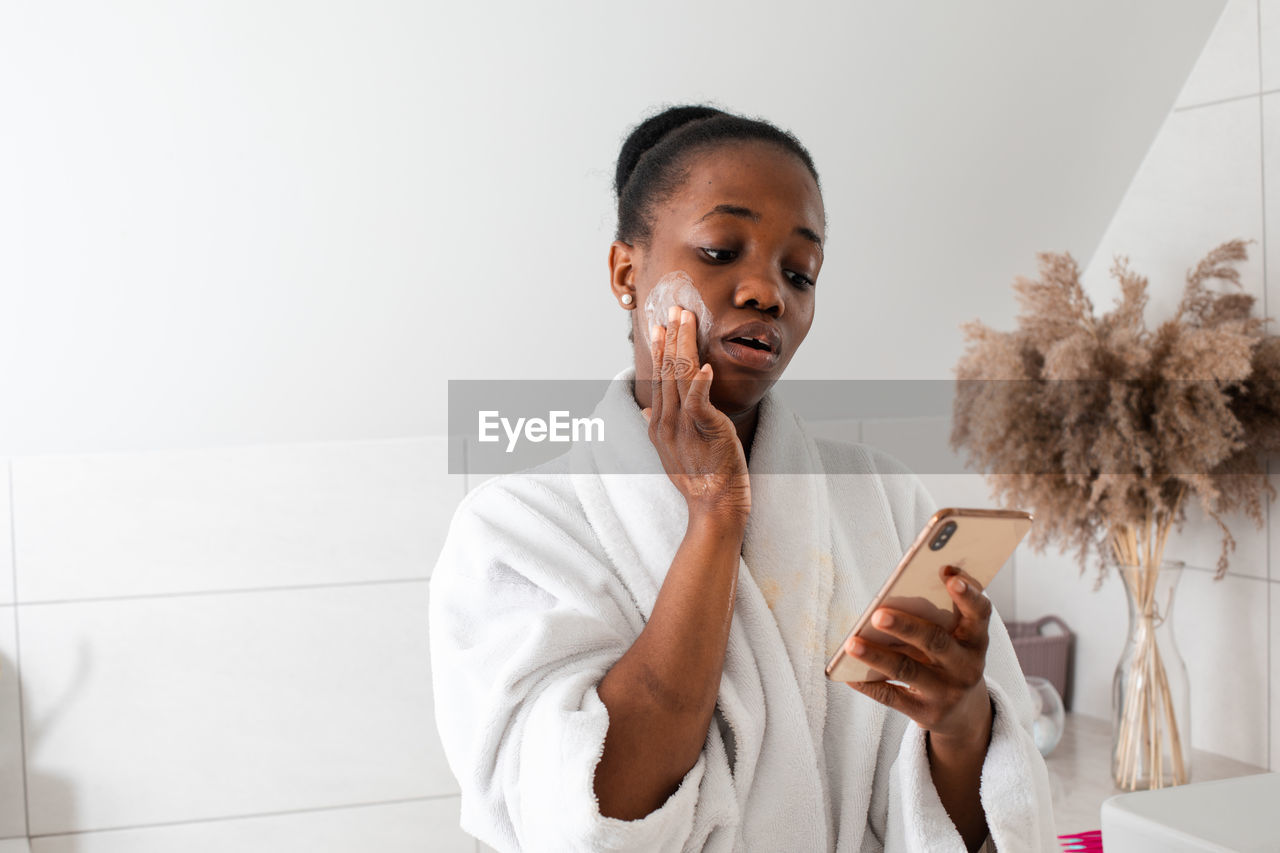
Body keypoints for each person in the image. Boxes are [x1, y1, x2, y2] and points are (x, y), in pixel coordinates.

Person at [429, 104, 1057, 852]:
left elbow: (967, 821)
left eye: (800, 271)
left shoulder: (882, 499)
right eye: (722, 250)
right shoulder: (515, 528)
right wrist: (714, 517)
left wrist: (960, 721)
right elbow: (590, 819)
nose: (769, 292)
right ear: (627, 272)